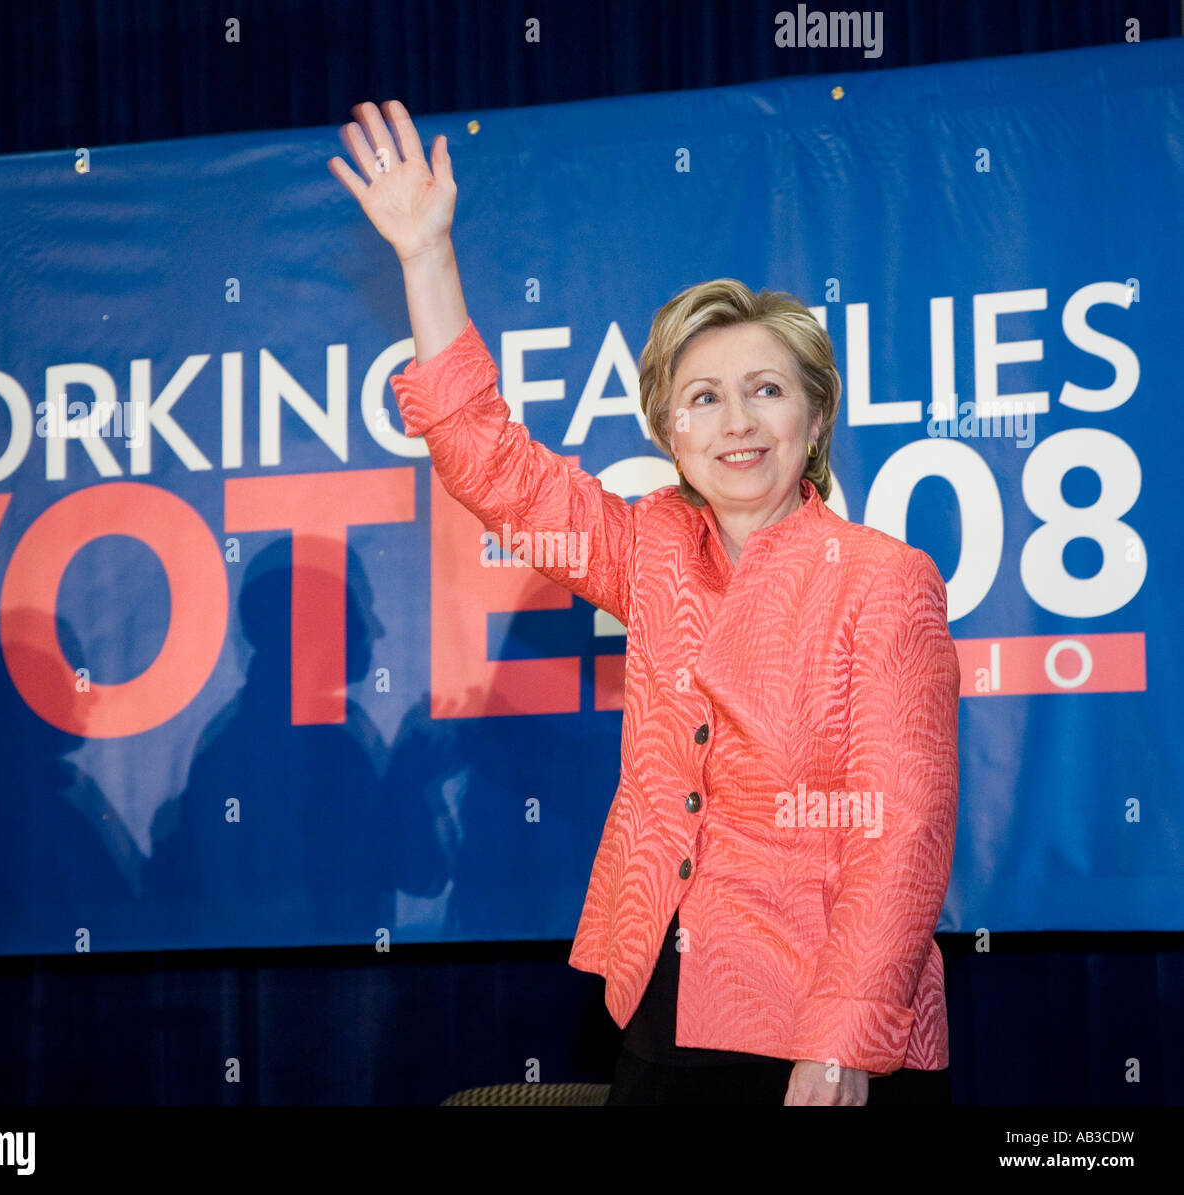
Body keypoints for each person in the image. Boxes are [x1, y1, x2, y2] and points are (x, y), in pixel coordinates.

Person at [328, 100, 960, 1106]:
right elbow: (487, 461)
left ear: (815, 413)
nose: (737, 420)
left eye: (766, 389)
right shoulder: (650, 546)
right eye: (703, 397)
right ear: (668, 428)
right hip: (662, 1006)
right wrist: (425, 252)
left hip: (819, 1029)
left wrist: (839, 1042)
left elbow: (902, 833)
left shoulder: (884, 578)